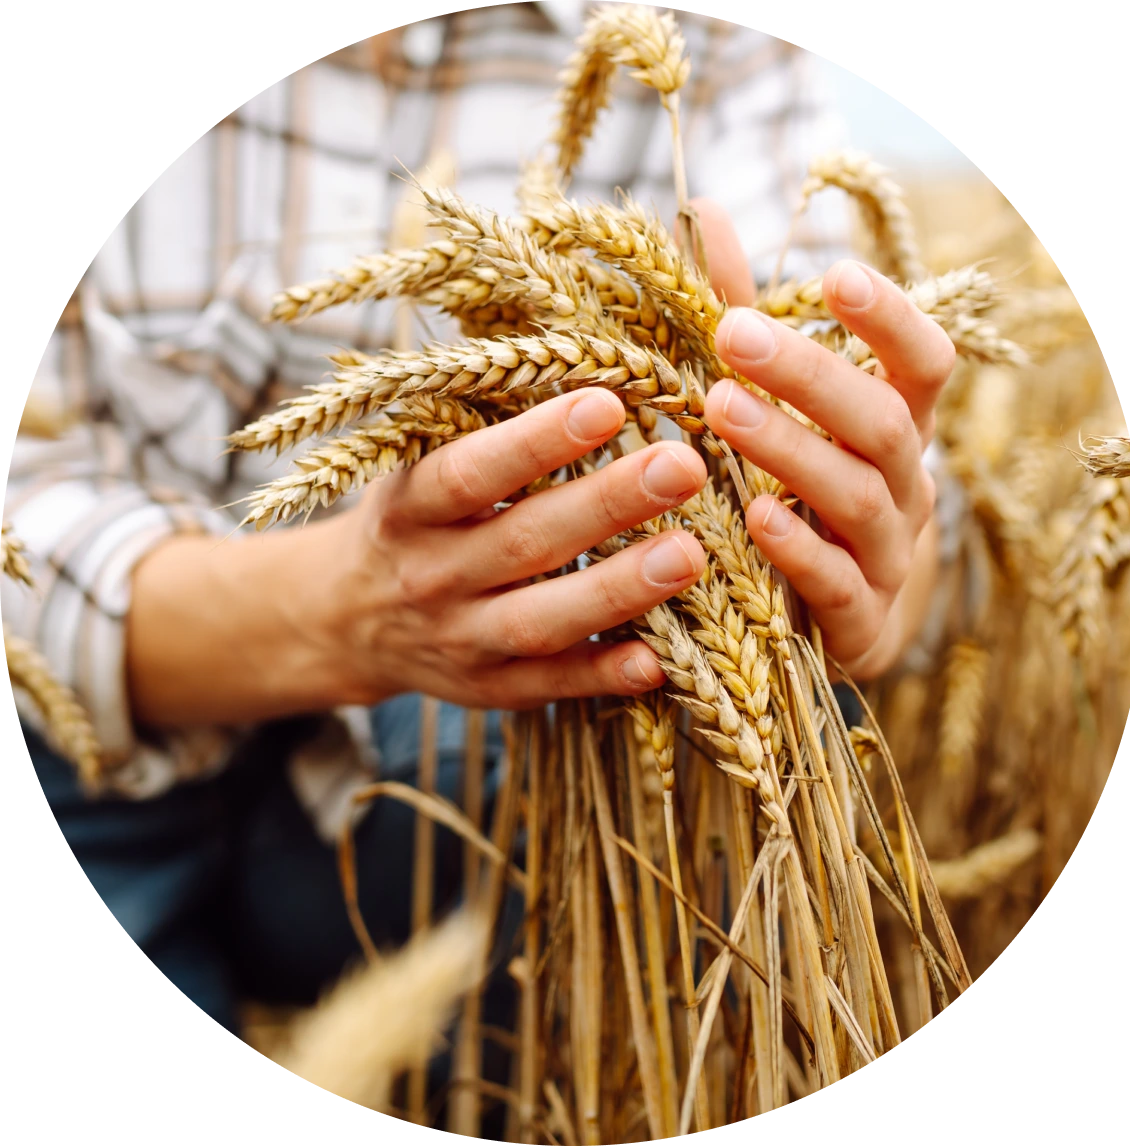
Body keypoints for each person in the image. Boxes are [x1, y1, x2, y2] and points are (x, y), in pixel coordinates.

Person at [10, 2, 953, 1074]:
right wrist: (336, 610)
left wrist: (858, 562)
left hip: (440, 779)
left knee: (577, 730)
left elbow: (886, 480)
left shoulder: (710, 35)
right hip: (74, 747)